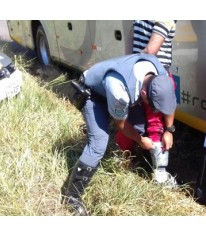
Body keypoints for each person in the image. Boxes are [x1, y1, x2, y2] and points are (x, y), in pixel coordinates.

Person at [64, 53, 177, 216]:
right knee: (98, 144)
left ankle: (136, 162)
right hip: (95, 95)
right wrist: (140, 140)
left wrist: (169, 130)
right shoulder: (119, 90)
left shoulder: (162, 77)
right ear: (144, 95)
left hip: (128, 91)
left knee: (138, 126)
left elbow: (169, 104)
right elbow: (121, 125)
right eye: (153, 106)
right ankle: (71, 197)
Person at [116, 20, 177, 185]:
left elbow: (130, 41)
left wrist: (129, 66)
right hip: (155, 76)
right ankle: (159, 174)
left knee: (131, 119)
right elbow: (151, 50)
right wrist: (169, 130)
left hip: (134, 74)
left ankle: (123, 160)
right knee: (156, 123)